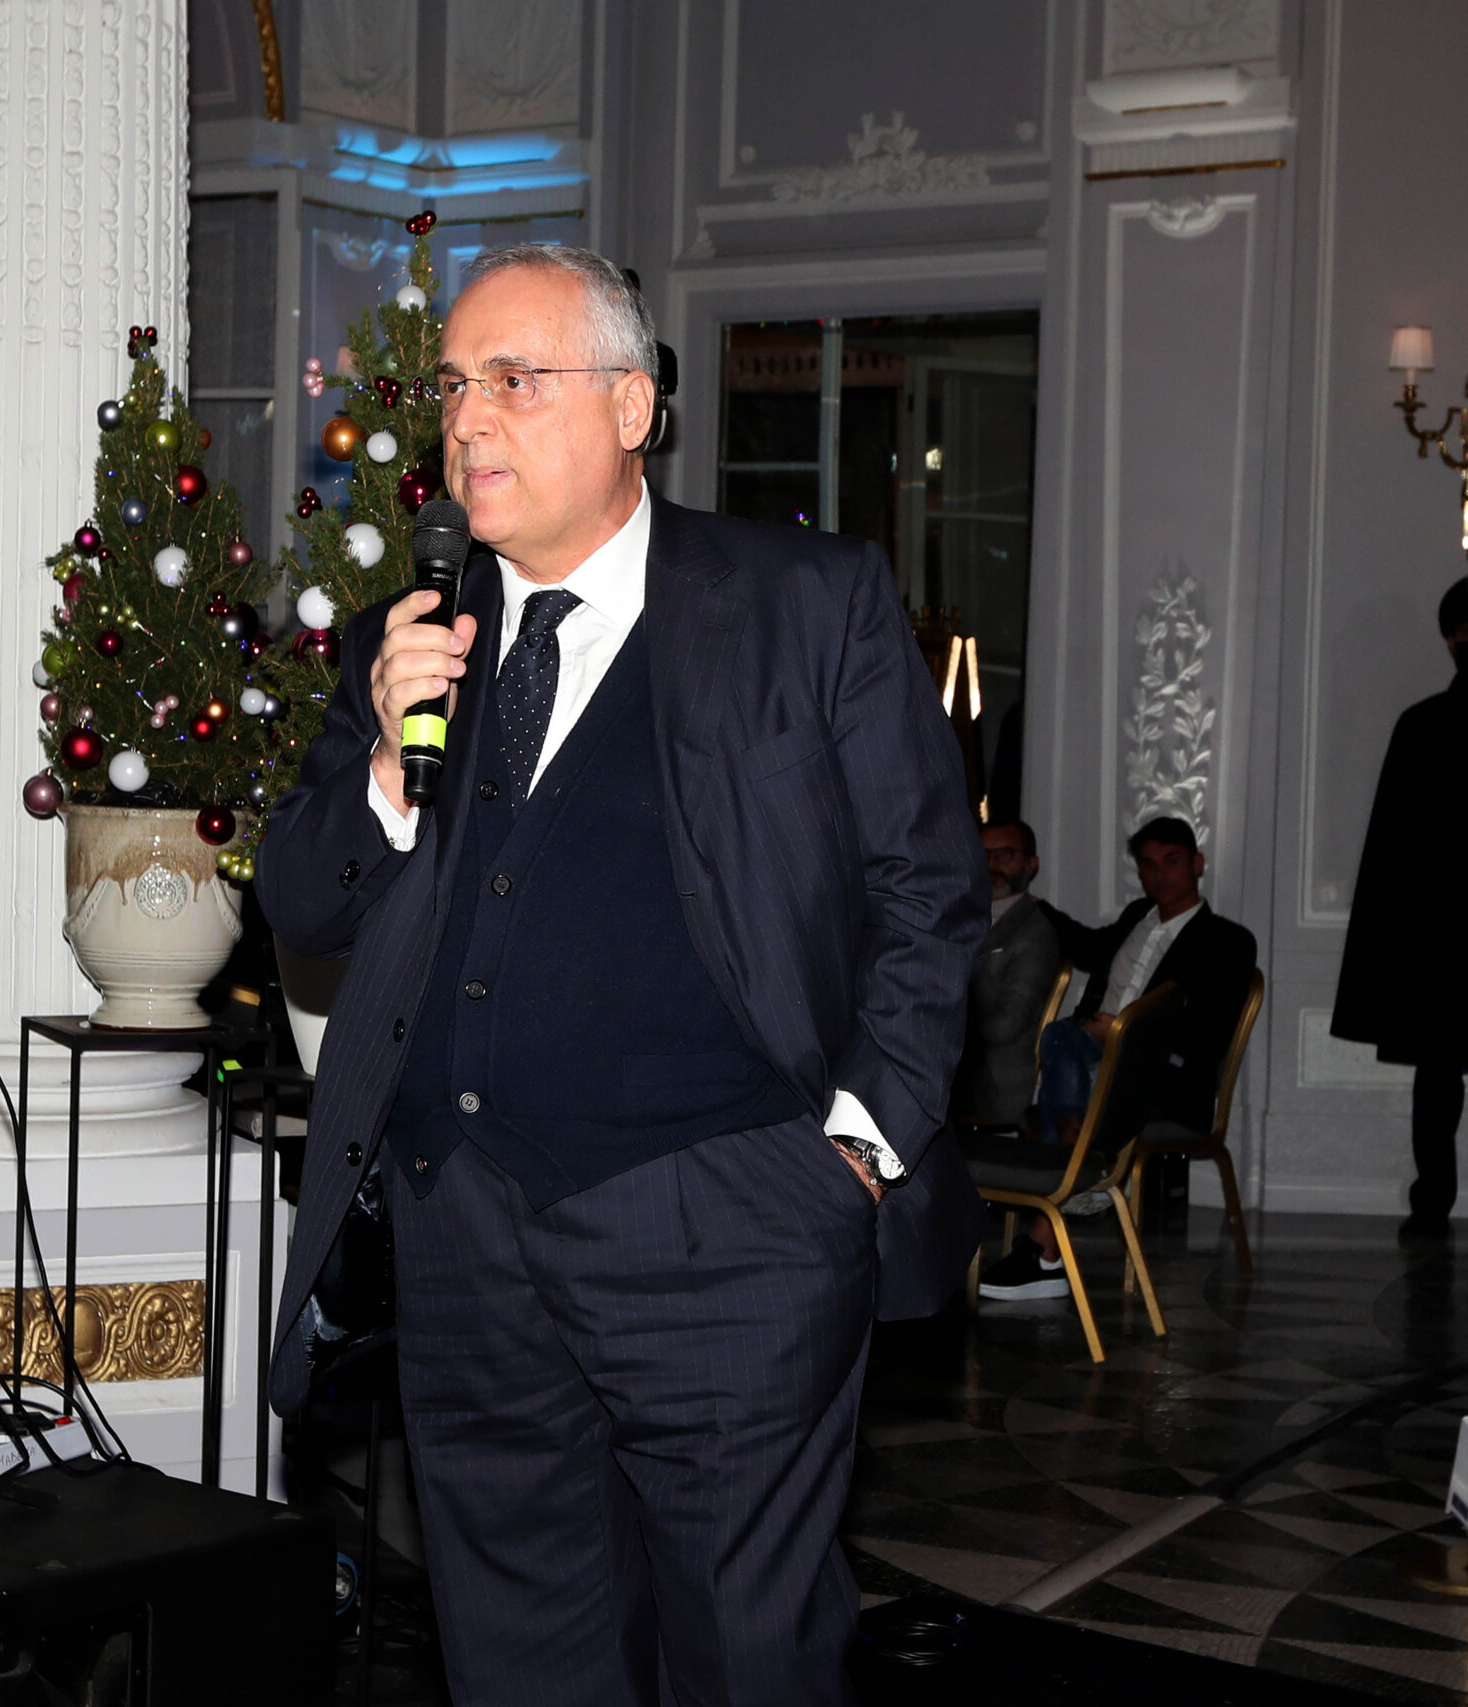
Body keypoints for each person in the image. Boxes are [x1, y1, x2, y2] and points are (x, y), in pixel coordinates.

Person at [254, 244, 986, 1706]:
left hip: (729, 1220)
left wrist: (852, 1151)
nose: (466, 420)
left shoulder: (803, 601)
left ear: (633, 407)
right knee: (520, 1656)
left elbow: (928, 888)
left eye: (512, 381)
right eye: (452, 387)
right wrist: (390, 762)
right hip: (466, 1235)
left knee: (748, 1656)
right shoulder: (410, 639)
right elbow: (296, 897)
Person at [979, 816, 1257, 1299]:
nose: (1159, 875)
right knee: (1065, 1040)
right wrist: (1033, 906)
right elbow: (1089, 947)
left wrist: (1127, 1035)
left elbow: (1208, 1035)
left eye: (1171, 861)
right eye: (1148, 865)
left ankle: (1050, 1231)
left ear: (1197, 864)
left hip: (1162, 1077)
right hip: (1091, 1064)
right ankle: (1074, 1186)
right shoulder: (1137, 916)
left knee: (1069, 1060)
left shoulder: (1227, 940)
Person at [1332, 577, 1468, 1237]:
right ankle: (1431, 1203)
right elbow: (1395, 850)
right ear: (1452, 638)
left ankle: (1431, 1205)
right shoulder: (1421, 726)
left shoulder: (1423, 725)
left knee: (1437, 1077)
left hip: (1438, 942)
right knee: (1437, 1077)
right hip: (1440, 942)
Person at [956, 818, 1062, 1128]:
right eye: (984, 854)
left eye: (1005, 854)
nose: (992, 864)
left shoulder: (1035, 930)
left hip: (990, 1081)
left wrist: (938, 1029)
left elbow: (1008, 1024)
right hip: (950, 1067)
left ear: (1032, 864)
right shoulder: (956, 915)